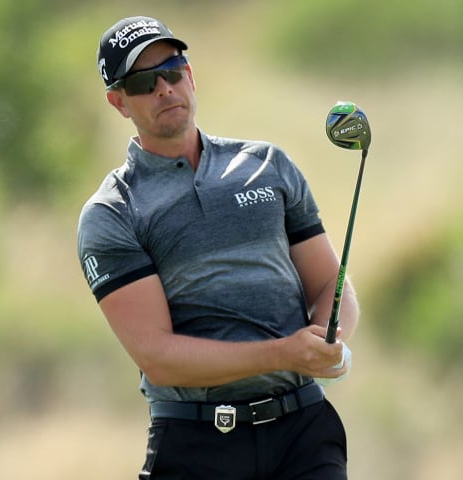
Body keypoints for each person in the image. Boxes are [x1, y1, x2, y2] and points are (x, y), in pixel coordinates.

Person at [77, 15, 359, 480]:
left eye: (171, 71)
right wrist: (286, 353)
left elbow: (331, 280)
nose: (164, 89)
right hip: (196, 444)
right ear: (118, 102)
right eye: (144, 82)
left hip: (303, 434)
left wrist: (330, 338)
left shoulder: (268, 164)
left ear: (189, 75)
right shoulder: (114, 211)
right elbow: (157, 356)